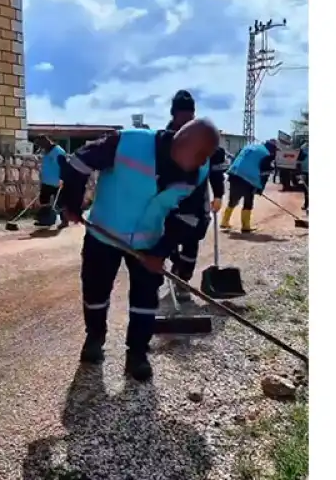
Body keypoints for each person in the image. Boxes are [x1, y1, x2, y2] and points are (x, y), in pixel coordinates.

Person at [58, 119, 219, 381]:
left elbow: (193, 219)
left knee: (145, 300)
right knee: (95, 292)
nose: (204, 162)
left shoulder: (197, 174)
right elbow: (77, 163)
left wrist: (162, 251)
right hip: (104, 234)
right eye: (201, 154)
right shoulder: (127, 143)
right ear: (183, 143)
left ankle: (137, 354)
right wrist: (72, 204)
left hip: (149, 243)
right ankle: (94, 338)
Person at [164, 89, 228, 301]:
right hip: (167, 204)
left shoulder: (203, 137)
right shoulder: (164, 140)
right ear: (173, 115)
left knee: (192, 242)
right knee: (167, 242)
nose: (185, 120)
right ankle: (176, 267)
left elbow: (216, 169)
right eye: (181, 115)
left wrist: (218, 194)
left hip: (197, 203)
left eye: (189, 115)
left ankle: (183, 280)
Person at [220, 139, 277, 233]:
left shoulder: (250, 146)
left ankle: (224, 222)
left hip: (234, 173)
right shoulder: (266, 154)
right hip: (249, 178)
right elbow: (264, 174)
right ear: (272, 148)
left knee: (233, 199)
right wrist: (260, 188)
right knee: (248, 201)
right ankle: (245, 226)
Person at [34, 135, 68, 229]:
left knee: (60, 203)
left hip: (57, 182)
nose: (41, 147)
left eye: (41, 145)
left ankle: (64, 221)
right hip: (46, 181)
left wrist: (63, 179)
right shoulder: (46, 151)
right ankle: (45, 220)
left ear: (47, 142)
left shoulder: (58, 151)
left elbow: (64, 166)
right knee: (44, 201)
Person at [296, 142, 308, 211]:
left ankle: (306, 205)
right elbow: (298, 162)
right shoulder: (303, 149)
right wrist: (299, 173)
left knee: (307, 190)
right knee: (306, 190)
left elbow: (298, 162)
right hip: (305, 172)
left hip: (305, 172)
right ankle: (306, 205)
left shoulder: (303, 149)